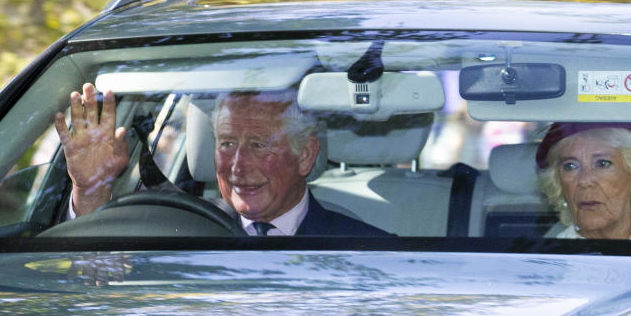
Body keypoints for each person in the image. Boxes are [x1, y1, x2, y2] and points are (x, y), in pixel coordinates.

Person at [54, 83, 387, 236]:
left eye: (258, 144)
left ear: (306, 155)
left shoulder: (369, 250)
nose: (237, 166)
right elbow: (95, 281)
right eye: (227, 143)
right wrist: (92, 188)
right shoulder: (172, 230)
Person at [535, 122, 631, 240]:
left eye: (602, 164)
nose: (584, 180)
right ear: (559, 184)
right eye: (570, 166)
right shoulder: (550, 260)